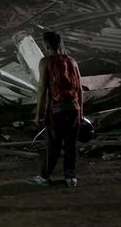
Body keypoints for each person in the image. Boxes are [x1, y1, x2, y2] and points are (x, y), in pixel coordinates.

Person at [32, 31, 84, 188]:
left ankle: (44, 177)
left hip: (57, 111)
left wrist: (38, 114)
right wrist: (81, 112)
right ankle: (70, 177)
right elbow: (80, 89)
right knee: (70, 144)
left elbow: (42, 89)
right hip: (74, 108)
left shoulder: (46, 62)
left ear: (46, 45)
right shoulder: (72, 61)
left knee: (53, 145)